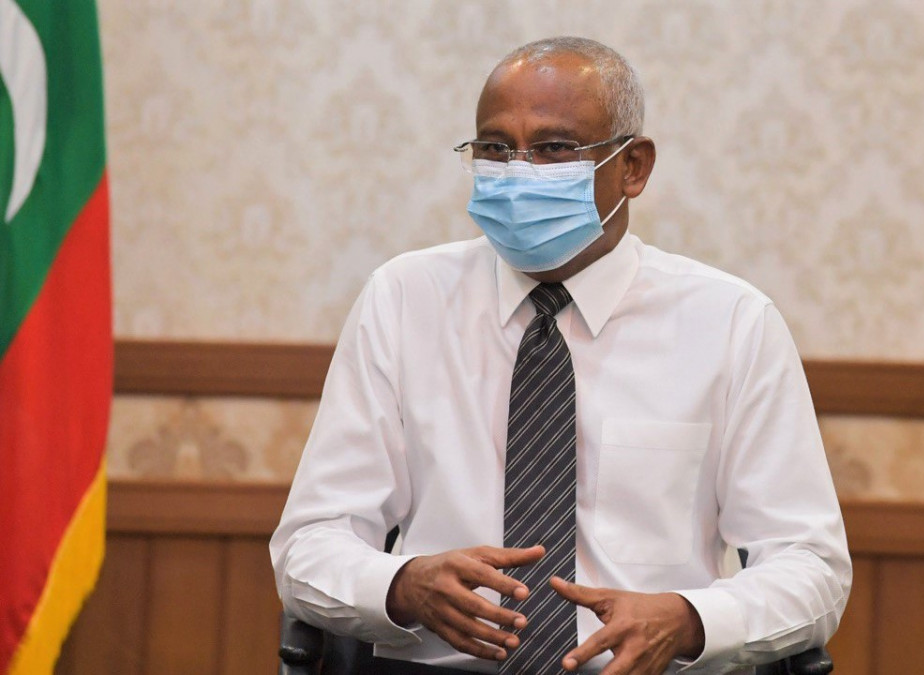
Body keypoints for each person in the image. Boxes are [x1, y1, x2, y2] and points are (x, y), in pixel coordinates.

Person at [270, 36, 851, 675]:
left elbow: (811, 568)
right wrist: (403, 585)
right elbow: (307, 546)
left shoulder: (732, 322)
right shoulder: (403, 300)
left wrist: (689, 620)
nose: (518, 173)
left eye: (553, 149)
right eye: (496, 149)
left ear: (633, 167)